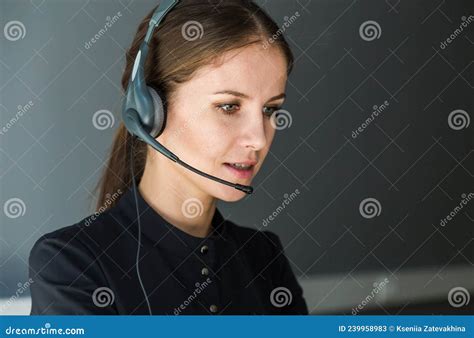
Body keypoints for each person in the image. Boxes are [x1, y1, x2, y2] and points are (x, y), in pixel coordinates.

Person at [29, 0, 308, 315]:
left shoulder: (263, 258)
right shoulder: (71, 263)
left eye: (270, 110)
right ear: (150, 111)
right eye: (229, 106)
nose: (258, 138)